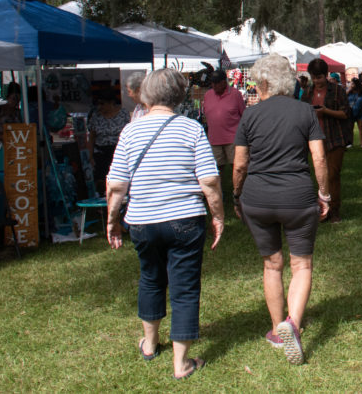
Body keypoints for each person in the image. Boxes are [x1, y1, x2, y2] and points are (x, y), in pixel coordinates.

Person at [105, 69, 225, 380]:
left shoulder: (130, 132)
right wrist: (218, 215)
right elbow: (209, 180)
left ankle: (150, 345)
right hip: (185, 218)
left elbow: (116, 184)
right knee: (184, 288)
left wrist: (112, 220)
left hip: (142, 221)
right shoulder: (191, 129)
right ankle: (181, 363)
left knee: (150, 279)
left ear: (145, 95)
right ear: (179, 95)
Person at [232, 54, 330, 365]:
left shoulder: (249, 115)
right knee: (302, 265)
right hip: (297, 196)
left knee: (272, 265)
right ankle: (294, 324)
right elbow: (319, 158)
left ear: (263, 83)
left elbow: (240, 164)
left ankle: (277, 329)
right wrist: (324, 194)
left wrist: (236, 196)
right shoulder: (304, 111)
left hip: (257, 198)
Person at [301, 58, 352, 220]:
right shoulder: (307, 93)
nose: (317, 81)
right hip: (315, 139)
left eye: (320, 77)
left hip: (335, 137)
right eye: (314, 78)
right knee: (320, 176)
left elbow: (345, 114)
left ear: (326, 75)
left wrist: (325, 111)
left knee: (333, 175)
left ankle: (334, 209)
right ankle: (323, 208)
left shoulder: (337, 91)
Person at [203, 69, 246, 174]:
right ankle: (219, 189)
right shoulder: (208, 95)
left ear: (223, 82)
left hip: (232, 139)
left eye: (216, 83)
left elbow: (244, 115)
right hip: (214, 139)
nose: (213, 85)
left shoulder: (235, 94)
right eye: (212, 83)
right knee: (216, 169)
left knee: (237, 167)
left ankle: (238, 189)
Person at [88, 89, 130, 195]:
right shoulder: (96, 116)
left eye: (103, 104)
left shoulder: (123, 114)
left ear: (111, 103)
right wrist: (90, 156)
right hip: (101, 154)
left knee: (119, 181)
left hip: (118, 152)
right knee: (101, 182)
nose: (100, 107)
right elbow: (92, 137)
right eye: (98, 104)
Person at [347, 77, 362, 149]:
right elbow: (343, 97)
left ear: (357, 84)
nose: (351, 84)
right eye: (351, 83)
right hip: (350, 112)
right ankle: (350, 143)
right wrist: (349, 90)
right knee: (350, 128)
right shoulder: (349, 91)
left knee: (361, 127)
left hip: (361, 112)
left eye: (353, 83)